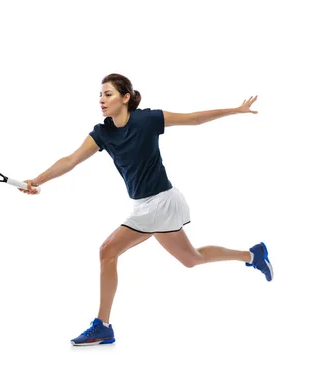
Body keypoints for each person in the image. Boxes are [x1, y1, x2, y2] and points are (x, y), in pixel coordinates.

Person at [18, 73, 273, 346]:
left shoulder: (147, 120)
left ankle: (102, 325)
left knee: (108, 251)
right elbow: (70, 160)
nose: (102, 100)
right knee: (192, 258)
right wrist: (37, 179)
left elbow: (193, 118)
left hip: (162, 201)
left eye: (108, 94)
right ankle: (252, 254)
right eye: (100, 95)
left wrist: (235, 110)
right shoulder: (103, 133)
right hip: (147, 205)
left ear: (125, 98)